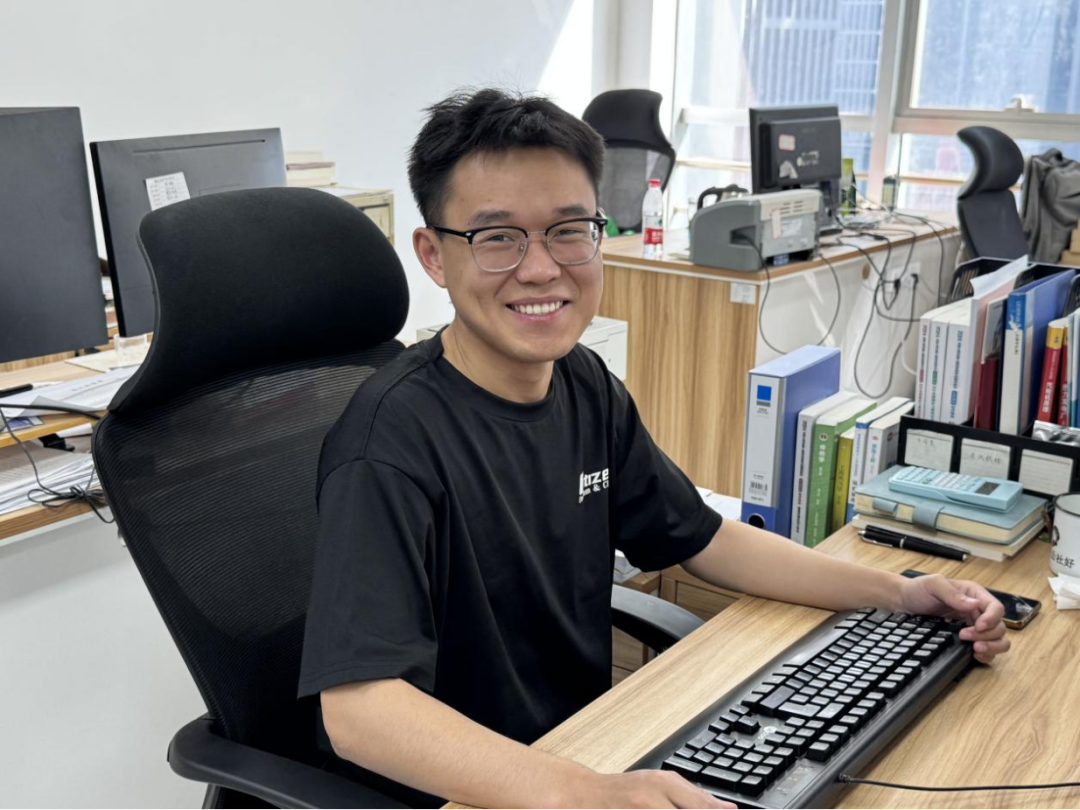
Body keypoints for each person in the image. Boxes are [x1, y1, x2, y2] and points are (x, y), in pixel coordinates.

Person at [298, 89, 1010, 810]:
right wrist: (588, 794)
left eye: (568, 231)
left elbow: (701, 537)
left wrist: (897, 594)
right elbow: (360, 713)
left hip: (585, 750)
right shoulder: (388, 444)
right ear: (434, 256)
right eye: (498, 237)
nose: (540, 268)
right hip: (474, 790)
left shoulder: (583, 382)